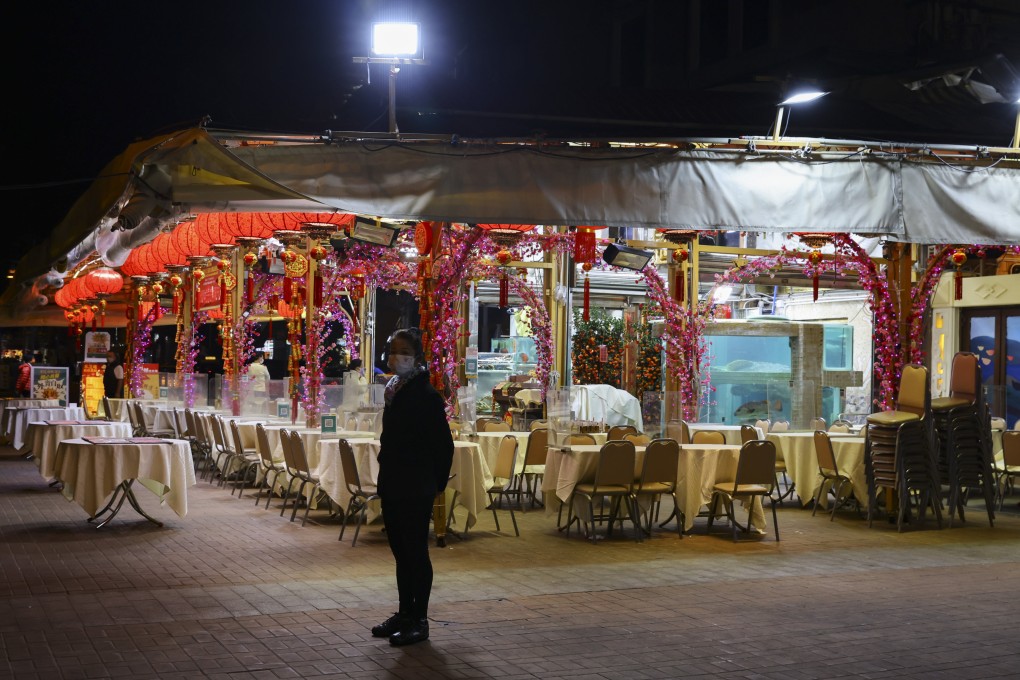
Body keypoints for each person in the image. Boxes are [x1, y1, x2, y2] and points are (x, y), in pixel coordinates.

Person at [371, 328, 454, 647]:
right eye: (392, 350)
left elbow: (443, 446)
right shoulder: (394, 389)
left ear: (417, 357)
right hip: (393, 483)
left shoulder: (425, 395)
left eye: (403, 351)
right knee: (400, 552)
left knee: (416, 553)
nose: (396, 356)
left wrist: (435, 484)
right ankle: (405, 613)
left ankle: (419, 619)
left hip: (415, 485)